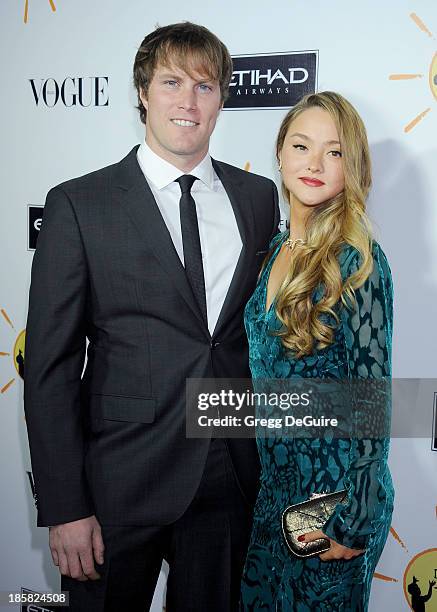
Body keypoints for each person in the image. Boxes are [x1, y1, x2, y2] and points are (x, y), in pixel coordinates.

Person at [24, 22, 279, 612]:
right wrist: (65, 506)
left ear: (222, 100)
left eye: (205, 86)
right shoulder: (78, 205)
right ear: (143, 92)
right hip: (117, 483)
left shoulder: (259, 197)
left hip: (228, 478)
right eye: (171, 83)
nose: (187, 102)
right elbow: (50, 368)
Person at [240, 92, 394, 610]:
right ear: (280, 154)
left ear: (353, 167)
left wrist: (356, 518)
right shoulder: (275, 252)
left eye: (334, 152)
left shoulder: (357, 263)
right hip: (276, 495)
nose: (314, 163)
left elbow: (373, 400)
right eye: (302, 145)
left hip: (335, 501)